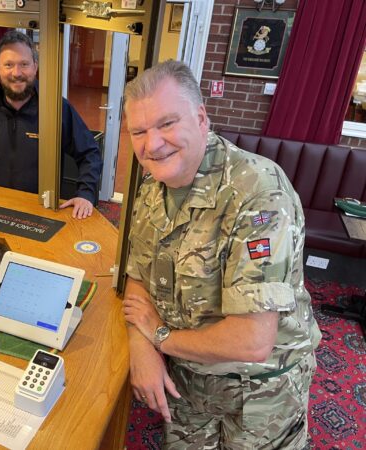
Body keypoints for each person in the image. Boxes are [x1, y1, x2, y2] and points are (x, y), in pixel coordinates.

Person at [121, 60, 321, 448]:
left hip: (259, 391)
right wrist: (139, 344)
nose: (152, 144)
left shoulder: (258, 192)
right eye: (139, 131)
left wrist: (159, 338)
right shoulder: (152, 185)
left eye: (166, 124)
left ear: (200, 118)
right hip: (188, 383)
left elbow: (251, 340)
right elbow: (138, 276)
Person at [0, 30, 103, 219]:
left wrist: (85, 194)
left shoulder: (56, 107)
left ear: (35, 67)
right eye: (9, 65)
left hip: (41, 209)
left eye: (24, 64)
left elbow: (90, 153)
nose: (16, 73)